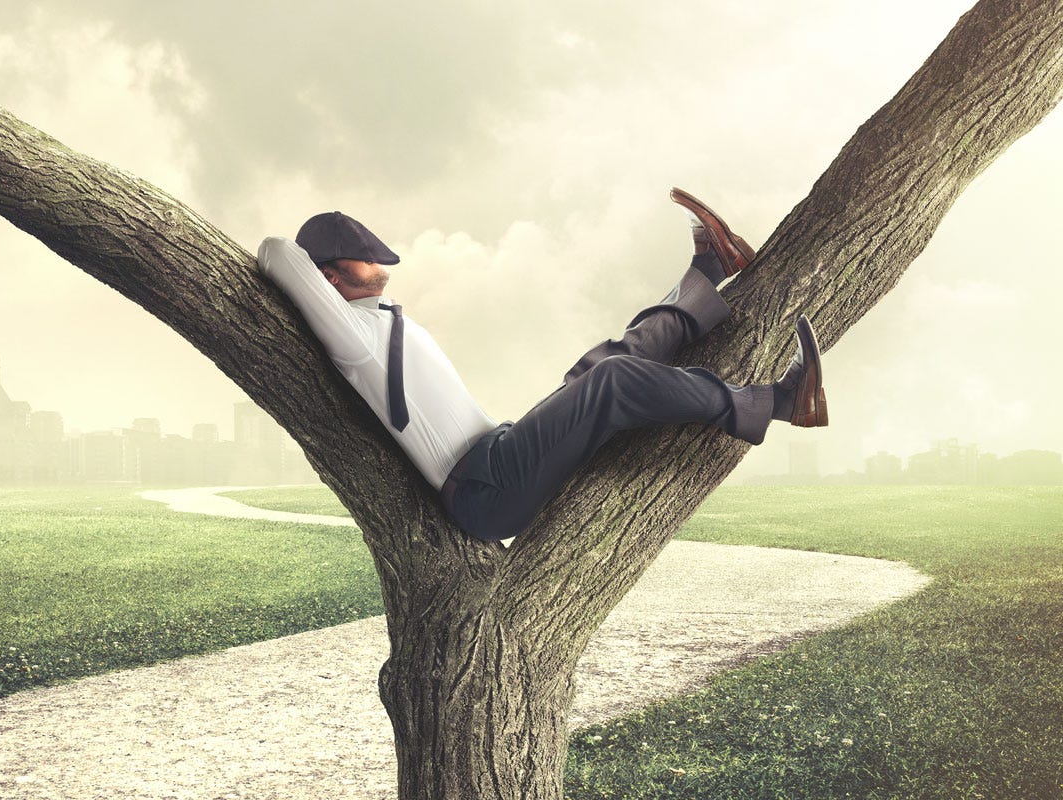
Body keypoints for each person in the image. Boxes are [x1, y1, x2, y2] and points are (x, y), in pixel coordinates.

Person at [257, 190, 827, 543]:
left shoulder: (374, 318)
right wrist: (310, 253)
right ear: (328, 277)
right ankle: (776, 403)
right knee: (613, 382)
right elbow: (276, 251)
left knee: (606, 362)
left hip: (499, 452)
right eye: (362, 253)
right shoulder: (350, 335)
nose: (377, 258)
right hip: (484, 489)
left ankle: (706, 274)